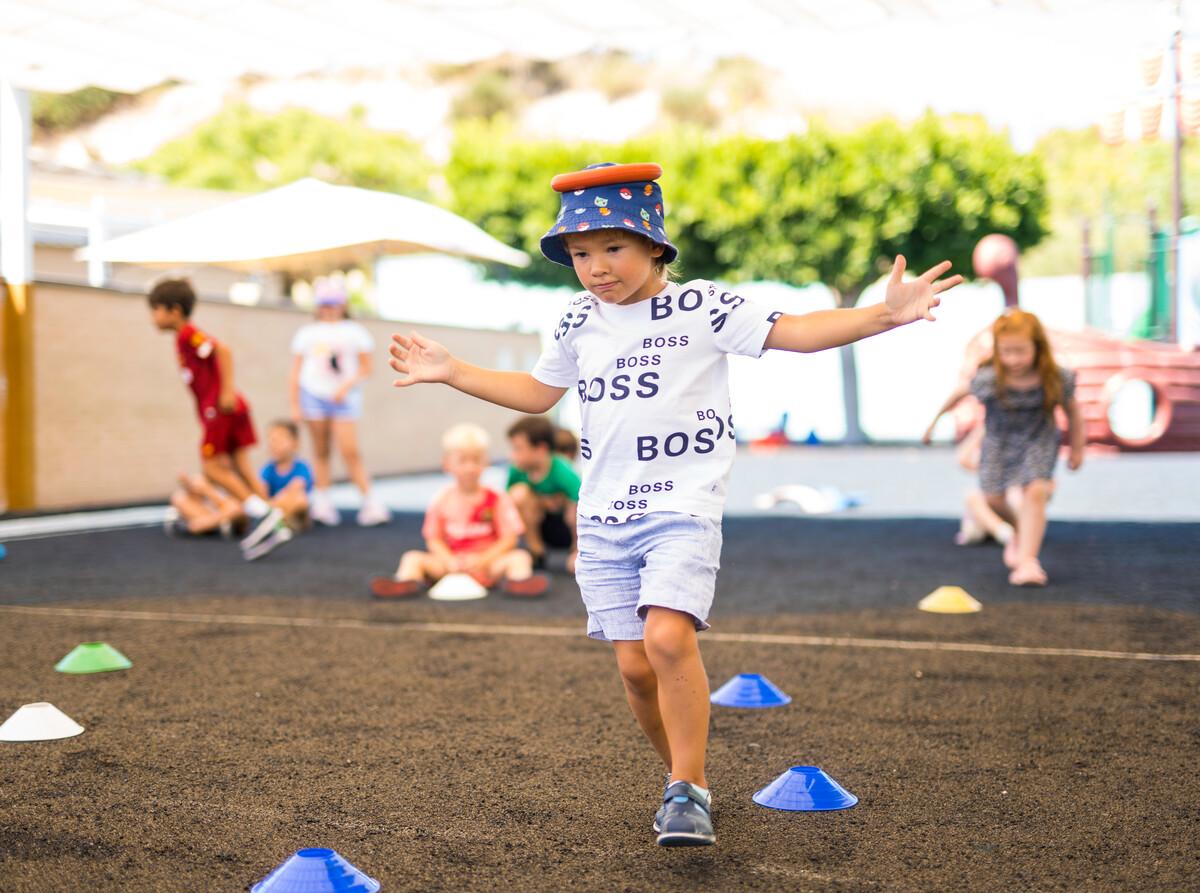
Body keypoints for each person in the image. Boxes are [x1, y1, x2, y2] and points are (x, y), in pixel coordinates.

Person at [386, 161, 962, 847]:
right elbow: (538, 394)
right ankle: (687, 788)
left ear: (655, 244)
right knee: (634, 670)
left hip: (681, 508)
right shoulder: (577, 320)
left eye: (612, 248)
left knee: (666, 638)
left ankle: (686, 787)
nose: (595, 267)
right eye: (579, 254)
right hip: (603, 519)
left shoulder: (703, 307)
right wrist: (452, 372)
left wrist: (882, 315)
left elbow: (798, 331)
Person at [923, 309, 1083, 586]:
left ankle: (1028, 562)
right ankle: (1022, 532)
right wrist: (934, 422)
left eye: (1021, 351)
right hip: (999, 440)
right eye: (1006, 351)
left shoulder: (1053, 377)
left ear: (1038, 347)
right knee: (992, 498)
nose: (1013, 359)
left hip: (1038, 438)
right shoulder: (989, 377)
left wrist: (1078, 448)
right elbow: (959, 394)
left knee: (1036, 490)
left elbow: (1073, 412)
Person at [370, 423, 548, 599]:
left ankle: (518, 582)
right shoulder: (441, 499)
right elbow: (433, 539)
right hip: (450, 565)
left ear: (486, 462)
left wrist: (483, 560)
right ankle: (406, 582)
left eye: (476, 460)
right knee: (412, 558)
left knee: (520, 557)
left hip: (487, 564)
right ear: (447, 463)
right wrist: (448, 561)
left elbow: (509, 538)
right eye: (462, 461)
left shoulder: (497, 498)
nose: (470, 467)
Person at [148, 278, 273, 523]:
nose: (153, 317)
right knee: (241, 466)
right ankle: (273, 515)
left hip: (219, 409)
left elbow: (222, 350)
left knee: (212, 469)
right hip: (226, 408)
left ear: (174, 311)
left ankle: (262, 513)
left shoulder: (188, 334)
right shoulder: (181, 339)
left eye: (156, 310)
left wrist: (226, 391)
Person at [289, 277, 390, 528]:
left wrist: (346, 386)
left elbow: (366, 368)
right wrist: (295, 404)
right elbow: (296, 371)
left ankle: (370, 502)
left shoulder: (355, 332)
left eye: (333, 303)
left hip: (345, 399)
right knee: (321, 451)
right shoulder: (307, 333)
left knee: (350, 451)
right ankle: (322, 502)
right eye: (324, 303)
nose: (328, 308)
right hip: (313, 395)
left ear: (343, 305)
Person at [505, 416, 581, 573]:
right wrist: (541, 501)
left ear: (541, 449)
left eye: (518, 449)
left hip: (565, 528)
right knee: (518, 493)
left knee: (576, 505)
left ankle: (578, 551)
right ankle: (536, 551)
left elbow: (582, 500)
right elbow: (505, 502)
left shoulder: (561, 468)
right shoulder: (517, 471)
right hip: (542, 525)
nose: (513, 455)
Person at [239, 419, 315, 561]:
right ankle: (272, 526)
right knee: (249, 502)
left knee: (299, 500)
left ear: (295, 443)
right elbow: (261, 491)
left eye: (280, 440)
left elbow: (297, 487)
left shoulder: (301, 467)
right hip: (276, 508)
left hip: (296, 515)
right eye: (272, 440)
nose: (275, 444)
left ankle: (272, 523)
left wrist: (272, 505)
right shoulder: (268, 469)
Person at [164, 472, 247, 538]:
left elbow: (238, 510)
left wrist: (208, 492)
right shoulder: (183, 498)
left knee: (235, 508)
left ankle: (207, 524)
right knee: (178, 498)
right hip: (214, 516)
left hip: (223, 514)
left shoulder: (221, 488)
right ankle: (208, 524)